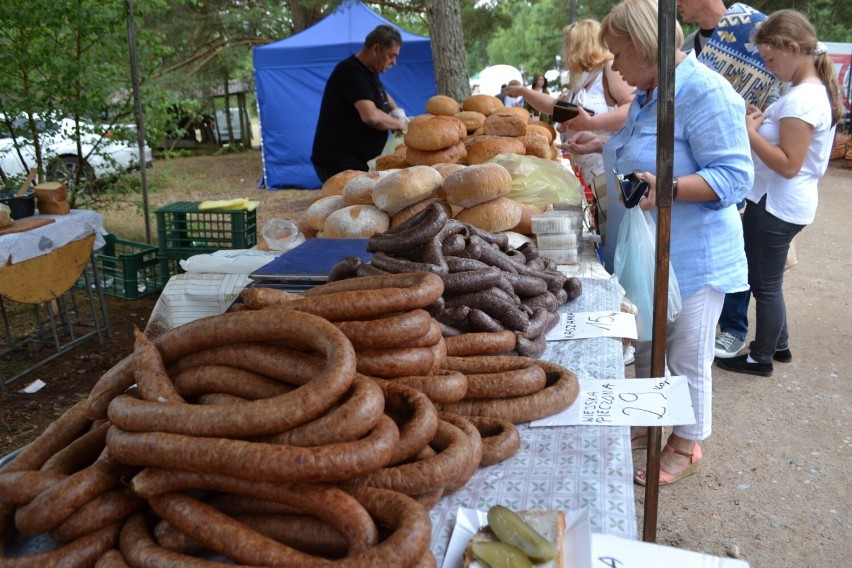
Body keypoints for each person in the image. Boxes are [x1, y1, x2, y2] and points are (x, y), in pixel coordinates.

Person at [573, 0, 753, 485]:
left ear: (646, 47)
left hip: (694, 256)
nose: (613, 65)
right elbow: (641, 144)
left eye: (617, 53)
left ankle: (685, 441)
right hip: (652, 252)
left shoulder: (705, 92)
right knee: (651, 344)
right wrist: (601, 146)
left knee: (686, 355)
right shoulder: (650, 94)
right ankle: (649, 415)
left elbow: (735, 177)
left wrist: (668, 188)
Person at [716, 10, 842, 377]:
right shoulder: (804, 93)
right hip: (782, 202)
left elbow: (788, 163)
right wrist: (762, 122)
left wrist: (749, 131)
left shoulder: (803, 99)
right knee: (768, 280)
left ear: (792, 48)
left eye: (771, 59)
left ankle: (761, 357)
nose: (769, 67)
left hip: (777, 205)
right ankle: (779, 344)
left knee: (763, 284)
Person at [676, 0, 779, 360]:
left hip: (741, 158)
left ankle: (735, 327)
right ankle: (762, 332)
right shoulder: (688, 43)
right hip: (696, 156)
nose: (675, 4)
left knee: (736, 244)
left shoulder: (754, 27)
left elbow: (777, 87)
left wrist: (757, 120)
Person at [311, 25, 408, 183]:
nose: (394, 62)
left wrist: (397, 110)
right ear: (376, 49)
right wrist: (400, 124)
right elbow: (371, 116)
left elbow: (381, 93)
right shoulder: (350, 72)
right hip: (340, 164)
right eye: (391, 56)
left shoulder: (370, 72)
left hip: (358, 162)